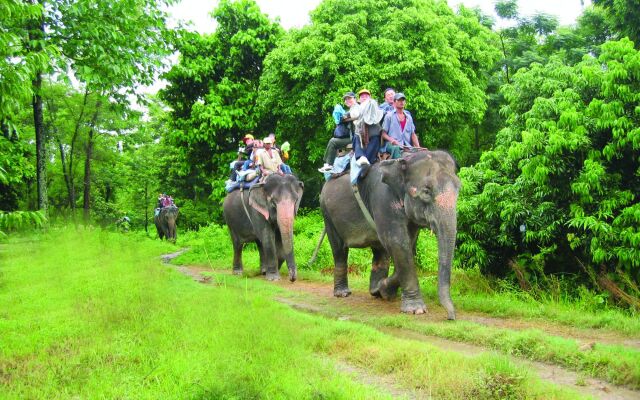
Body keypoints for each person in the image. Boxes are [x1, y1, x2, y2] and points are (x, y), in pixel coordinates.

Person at [319, 91, 359, 173]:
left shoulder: (357, 107)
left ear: (355, 99)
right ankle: (329, 164)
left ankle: (329, 164)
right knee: (333, 140)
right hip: (352, 137)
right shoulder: (351, 109)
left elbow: (351, 115)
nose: (347, 100)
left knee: (333, 142)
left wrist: (343, 116)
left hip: (357, 138)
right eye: (345, 99)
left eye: (349, 98)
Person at [381, 92, 420, 159]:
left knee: (423, 155)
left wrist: (418, 148)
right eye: (399, 100)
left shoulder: (409, 117)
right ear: (394, 102)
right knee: (396, 149)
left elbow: (413, 134)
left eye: (403, 100)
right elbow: (383, 134)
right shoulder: (389, 116)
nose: (401, 102)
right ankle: (399, 165)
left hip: (406, 146)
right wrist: (391, 140)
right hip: (392, 145)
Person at [352, 88, 383, 166]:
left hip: (373, 136)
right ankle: (361, 157)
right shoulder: (356, 108)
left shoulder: (374, 105)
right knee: (356, 137)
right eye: (362, 96)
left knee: (375, 140)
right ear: (359, 99)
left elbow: (379, 114)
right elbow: (353, 115)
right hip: (361, 136)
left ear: (370, 97)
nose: (364, 97)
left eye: (366, 96)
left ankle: (366, 161)